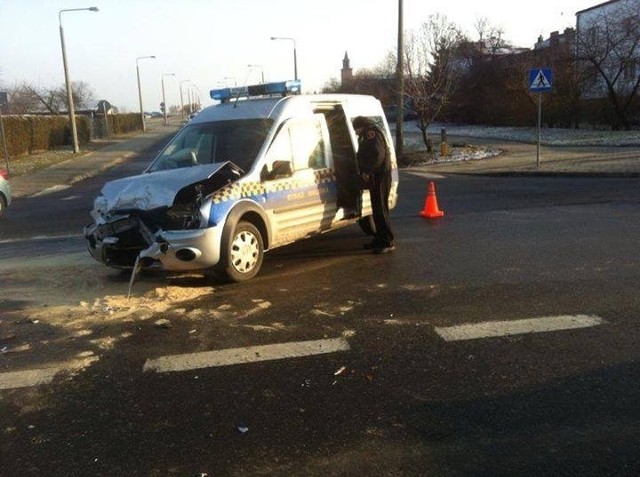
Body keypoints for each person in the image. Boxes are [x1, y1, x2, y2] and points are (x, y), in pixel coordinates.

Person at [352, 116, 395, 254]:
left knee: (380, 209)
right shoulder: (368, 133)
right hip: (376, 176)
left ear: (360, 126)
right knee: (376, 209)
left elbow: (377, 155)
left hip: (380, 176)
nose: (356, 133)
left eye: (356, 130)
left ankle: (387, 241)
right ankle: (380, 239)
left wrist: (368, 171)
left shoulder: (371, 133)